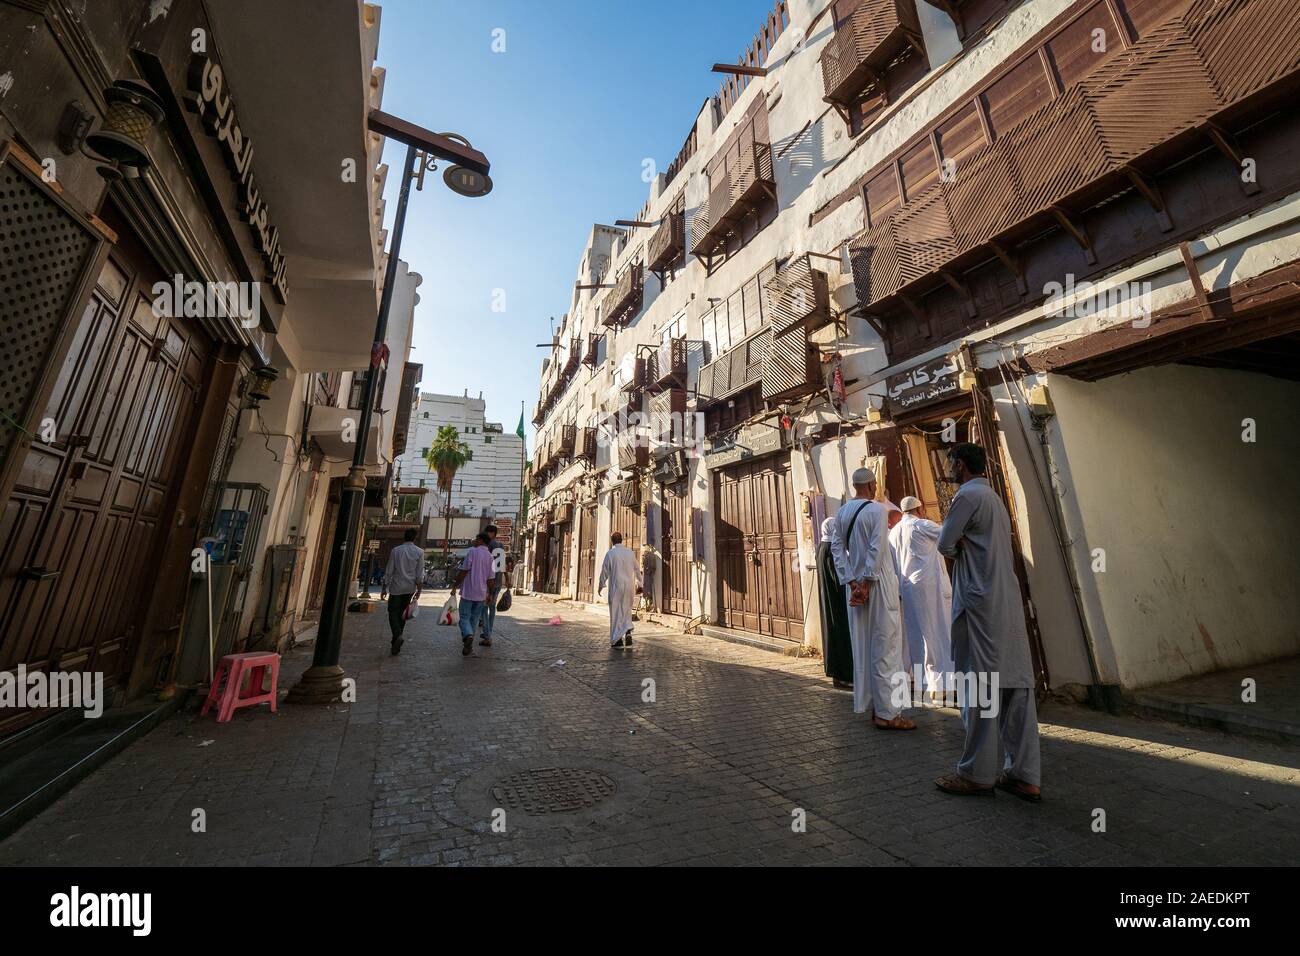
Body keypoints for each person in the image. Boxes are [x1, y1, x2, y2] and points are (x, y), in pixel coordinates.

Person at [934, 443, 1041, 802]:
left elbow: (945, 543)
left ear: (961, 465)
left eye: (951, 464)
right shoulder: (994, 499)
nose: (949, 470)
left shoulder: (966, 496)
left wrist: (959, 542)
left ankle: (977, 773)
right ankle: (1024, 775)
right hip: (1005, 603)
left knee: (979, 687)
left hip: (979, 604)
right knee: (1015, 687)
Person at [829, 468, 914, 730]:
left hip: (856, 588)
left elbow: (836, 548)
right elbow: (877, 548)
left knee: (865, 645)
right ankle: (889, 714)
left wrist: (852, 581)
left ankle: (876, 705)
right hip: (878, 584)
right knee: (888, 646)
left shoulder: (842, 512)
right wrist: (865, 582)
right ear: (872, 485)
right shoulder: (877, 510)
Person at [890, 495, 954, 701]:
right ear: (920, 508)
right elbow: (948, 535)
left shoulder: (895, 531)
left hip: (907, 587)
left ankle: (924, 683)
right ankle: (942, 684)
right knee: (937, 631)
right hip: (928, 586)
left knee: (916, 634)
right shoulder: (921, 525)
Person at [817, 514, 854, 688]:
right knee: (841, 635)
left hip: (829, 600)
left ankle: (837, 674)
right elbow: (838, 576)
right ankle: (844, 675)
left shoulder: (822, 547)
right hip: (838, 602)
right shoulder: (832, 549)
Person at [381, 528, 424, 656]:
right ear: (414, 538)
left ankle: (397, 635)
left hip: (396, 587)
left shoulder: (396, 551)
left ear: (403, 537)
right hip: (409, 588)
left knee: (393, 611)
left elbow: (389, 570)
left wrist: (384, 587)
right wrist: (419, 589)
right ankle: (396, 639)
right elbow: (419, 573)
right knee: (403, 614)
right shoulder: (419, 552)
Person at [451, 534, 495, 657]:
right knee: (474, 620)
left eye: (476, 539)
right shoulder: (490, 557)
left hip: (468, 592)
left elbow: (464, 571)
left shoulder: (472, 552)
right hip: (481, 594)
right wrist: (490, 593)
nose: (474, 541)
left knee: (464, 617)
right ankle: (468, 646)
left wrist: (455, 585)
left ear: (481, 540)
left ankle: (468, 635)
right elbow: (491, 579)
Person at [598, 531, 642, 648]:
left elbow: (605, 571)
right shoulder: (630, 553)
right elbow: (637, 569)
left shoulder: (611, 554)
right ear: (621, 540)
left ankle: (617, 640)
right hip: (629, 587)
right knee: (626, 610)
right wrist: (640, 583)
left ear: (612, 541)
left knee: (616, 612)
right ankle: (627, 633)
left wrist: (600, 585)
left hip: (616, 587)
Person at [476, 524, 507, 646]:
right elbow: (503, 564)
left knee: (484, 607)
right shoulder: (501, 546)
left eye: (487, 533)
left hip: (489, 581)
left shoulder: (488, 546)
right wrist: (507, 579)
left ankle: (487, 634)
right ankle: (489, 631)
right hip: (498, 581)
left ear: (492, 533)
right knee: (492, 607)